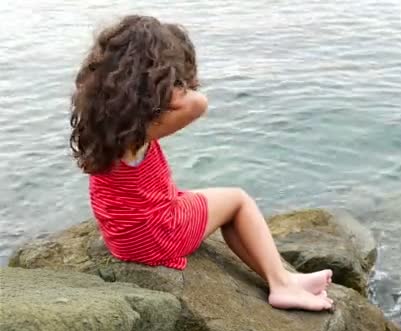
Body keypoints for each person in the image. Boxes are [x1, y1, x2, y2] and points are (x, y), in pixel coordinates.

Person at [69, 15, 333, 311]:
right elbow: (198, 103)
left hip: (122, 234)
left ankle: (284, 277)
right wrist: (171, 77)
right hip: (153, 237)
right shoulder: (138, 132)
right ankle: (282, 286)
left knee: (201, 198)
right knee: (238, 201)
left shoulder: (104, 121)